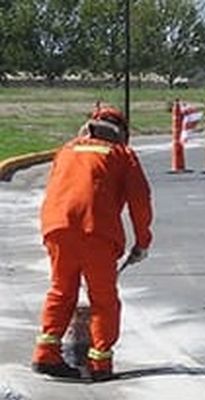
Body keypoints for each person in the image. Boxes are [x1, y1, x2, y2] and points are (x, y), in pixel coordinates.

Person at [33, 105, 153, 382]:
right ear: (121, 132)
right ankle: (100, 363)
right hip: (96, 232)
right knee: (103, 299)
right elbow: (140, 202)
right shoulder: (123, 155)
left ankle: (46, 353)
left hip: (56, 227)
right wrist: (142, 242)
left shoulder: (67, 150)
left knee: (61, 290)